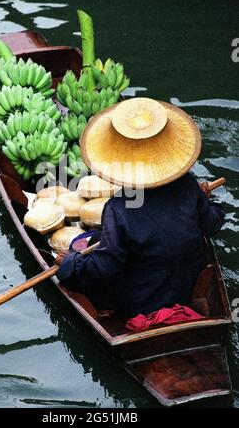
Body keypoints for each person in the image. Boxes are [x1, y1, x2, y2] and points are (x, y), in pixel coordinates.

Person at [55, 98, 225, 318]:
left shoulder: (118, 208)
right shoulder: (187, 186)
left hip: (140, 302)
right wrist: (204, 200)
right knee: (95, 240)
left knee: (79, 264)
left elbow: (104, 268)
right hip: (186, 289)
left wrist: (69, 264)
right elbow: (213, 223)